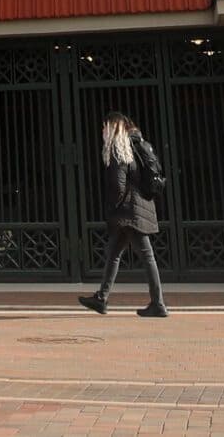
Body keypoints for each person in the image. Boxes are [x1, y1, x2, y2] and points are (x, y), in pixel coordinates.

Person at [77, 110, 167, 318]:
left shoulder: (118, 151)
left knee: (146, 256)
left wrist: (113, 207)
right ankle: (101, 298)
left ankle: (158, 303)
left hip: (128, 212)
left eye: (105, 126)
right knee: (114, 253)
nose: (102, 130)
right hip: (137, 207)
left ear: (112, 127)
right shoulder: (134, 146)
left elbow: (118, 185)